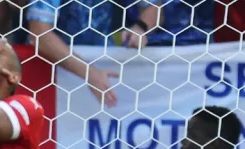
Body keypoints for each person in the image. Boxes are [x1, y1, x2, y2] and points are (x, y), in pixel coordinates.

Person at [25, 0, 163, 107]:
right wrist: (89, 73)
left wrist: (141, 28)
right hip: (50, 74)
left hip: (103, 70)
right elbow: (40, 35)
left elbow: (153, 6)